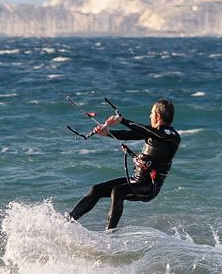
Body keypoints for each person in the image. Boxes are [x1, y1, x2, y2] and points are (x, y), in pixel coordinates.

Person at [69, 99, 180, 231]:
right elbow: (130, 134)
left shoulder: (171, 136)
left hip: (150, 185)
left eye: (151, 113)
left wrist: (122, 120)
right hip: (137, 180)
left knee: (118, 191)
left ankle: (110, 234)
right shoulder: (152, 133)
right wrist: (107, 133)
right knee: (96, 189)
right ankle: (67, 221)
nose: (149, 116)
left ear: (158, 116)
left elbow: (146, 131)